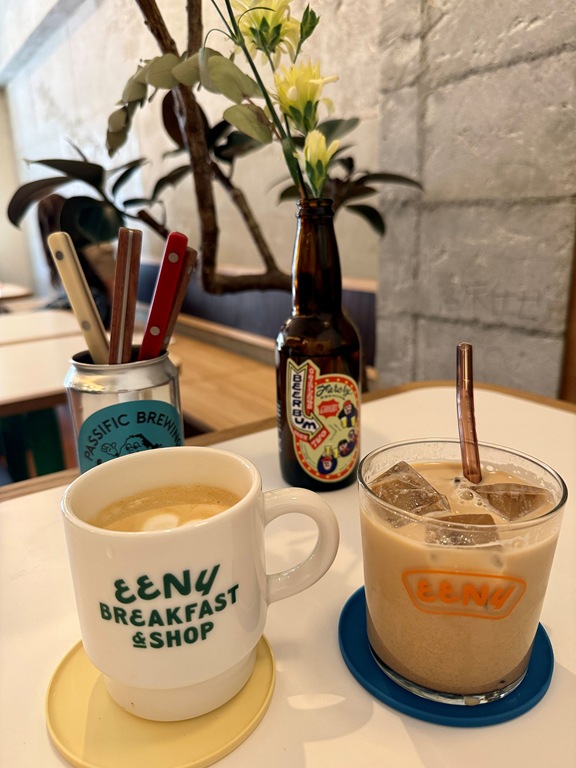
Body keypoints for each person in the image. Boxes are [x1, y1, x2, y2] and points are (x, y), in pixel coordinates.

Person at [37, 193, 115, 328]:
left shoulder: (95, 247)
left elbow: (115, 291)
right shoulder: (60, 250)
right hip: (85, 304)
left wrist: (113, 330)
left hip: (98, 306)